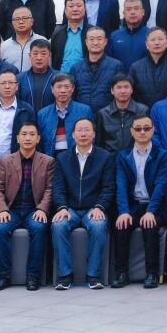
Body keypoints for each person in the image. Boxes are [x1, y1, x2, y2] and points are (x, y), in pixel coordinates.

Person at [50, 119, 114, 290]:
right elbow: (58, 187)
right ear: (73, 134)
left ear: (94, 134)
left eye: (87, 130)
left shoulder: (105, 157)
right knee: (58, 225)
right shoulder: (62, 158)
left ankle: (93, 275)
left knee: (98, 225)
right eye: (79, 130)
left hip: (93, 208)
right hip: (70, 208)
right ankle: (65, 275)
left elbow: (108, 187)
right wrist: (62, 207)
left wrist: (99, 206)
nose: (83, 134)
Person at [0, 122, 54, 291]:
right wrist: (2, 210)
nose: (27, 138)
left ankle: (33, 276)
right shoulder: (5, 161)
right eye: (24, 134)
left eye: (32, 134)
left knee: (39, 228)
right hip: (12, 209)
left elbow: (50, 188)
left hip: (34, 209)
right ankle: (3, 276)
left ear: (38, 139)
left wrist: (42, 209)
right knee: (0, 228)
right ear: (17, 138)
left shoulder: (48, 161)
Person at [112, 115, 167, 289]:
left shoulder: (162, 155)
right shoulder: (123, 156)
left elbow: (161, 185)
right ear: (132, 131)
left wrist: (151, 211)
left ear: (153, 130)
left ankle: (152, 274)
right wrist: (123, 211)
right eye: (138, 129)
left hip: (155, 206)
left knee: (149, 225)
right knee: (121, 225)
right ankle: (121, 273)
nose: (142, 132)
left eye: (146, 128)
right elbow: (121, 185)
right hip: (132, 205)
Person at [35, 73, 94, 156]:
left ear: (73, 89)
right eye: (59, 87)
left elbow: (92, 138)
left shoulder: (85, 111)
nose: (63, 90)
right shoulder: (42, 114)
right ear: (52, 89)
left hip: (76, 157)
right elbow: (39, 142)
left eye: (67, 87)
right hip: (50, 158)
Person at [69, 27, 125, 113]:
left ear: (105, 42)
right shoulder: (75, 68)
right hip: (82, 116)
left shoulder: (116, 66)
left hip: (108, 115)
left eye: (99, 39)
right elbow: (72, 95)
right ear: (86, 42)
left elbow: (121, 93)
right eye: (91, 39)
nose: (95, 43)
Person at [95, 74, 149, 152]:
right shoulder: (103, 114)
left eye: (126, 87)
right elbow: (99, 143)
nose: (123, 91)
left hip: (135, 156)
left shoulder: (142, 111)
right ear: (112, 90)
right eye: (119, 87)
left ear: (132, 90)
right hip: (110, 157)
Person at [129, 27, 167, 106]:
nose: (157, 43)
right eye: (152, 40)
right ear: (146, 44)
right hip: (143, 112)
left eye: (160, 39)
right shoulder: (135, 67)